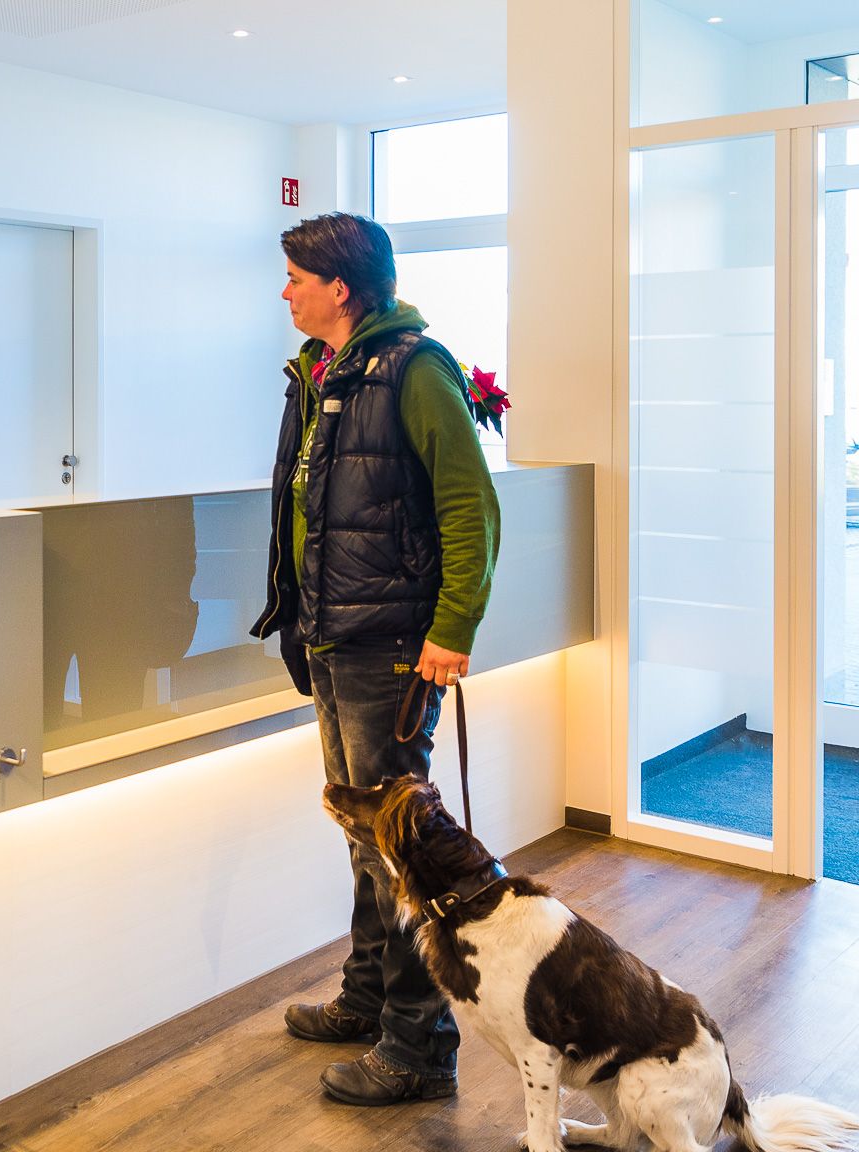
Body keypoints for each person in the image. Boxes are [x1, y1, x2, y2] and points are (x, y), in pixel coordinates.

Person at [250, 213, 501, 1107]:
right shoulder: (321, 371)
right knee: (365, 838)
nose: (285, 291)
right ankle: (368, 1001)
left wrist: (453, 627)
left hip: (390, 643)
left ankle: (420, 1047)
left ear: (340, 287)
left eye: (296, 277)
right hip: (331, 636)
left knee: (401, 853)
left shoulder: (415, 369)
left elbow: (470, 506)